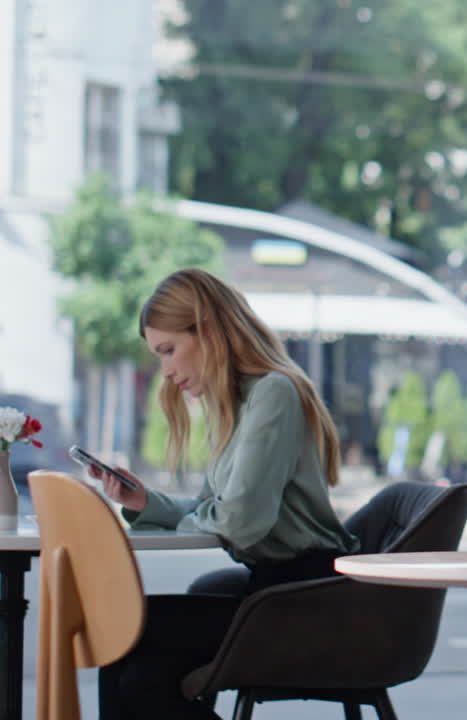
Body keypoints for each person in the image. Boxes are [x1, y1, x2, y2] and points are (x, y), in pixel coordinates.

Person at [92, 267, 360, 720]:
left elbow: (238, 522)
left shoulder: (273, 393)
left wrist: (210, 514)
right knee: (138, 670)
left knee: (125, 634)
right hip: (273, 589)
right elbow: (214, 509)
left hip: (305, 596)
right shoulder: (238, 403)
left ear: (209, 330)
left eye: (169, 350)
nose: (167, 370)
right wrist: (144, 503)